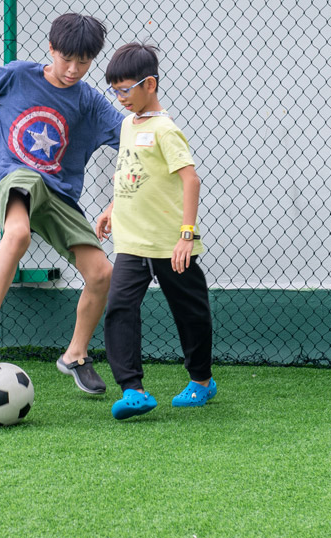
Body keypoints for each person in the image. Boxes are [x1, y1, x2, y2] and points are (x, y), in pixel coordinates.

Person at [0, 13, 123, 395]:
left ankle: (75, 355)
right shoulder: (17, 74)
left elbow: (130, 137)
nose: (74, 70)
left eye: (84, 62)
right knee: (19, 232)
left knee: (101, 273)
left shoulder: (89, 100)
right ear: (51, 49)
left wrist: (116, 200)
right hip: (13, 174)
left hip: (58, 191)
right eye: (67, 59)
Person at [94, 43, 216, 420]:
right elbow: (132, 173)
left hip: (169, 243)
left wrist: (186, 235)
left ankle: (201, 381)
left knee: (189, 312)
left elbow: (191, 181)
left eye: (126, 90)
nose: (120, 98)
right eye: (114, 91)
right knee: (119, 309)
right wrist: (112, 208)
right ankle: (133, 390)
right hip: (132, 242)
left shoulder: (166, 130)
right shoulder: (129, 125)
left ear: (150, 84)